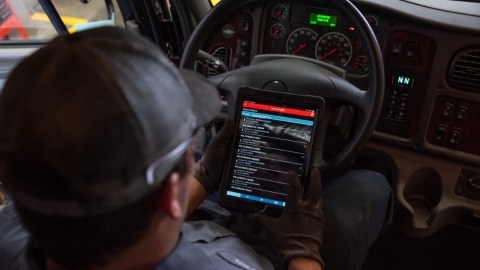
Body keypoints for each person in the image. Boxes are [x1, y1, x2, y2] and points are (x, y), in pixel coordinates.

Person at [0, 27, 393, 270]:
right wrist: (304, 250)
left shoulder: (9, 232)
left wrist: (204, 177)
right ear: (170, 199)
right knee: (372, 185)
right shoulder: (227, 267)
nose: (196, 155)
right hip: (268, 251)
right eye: (191, 150)